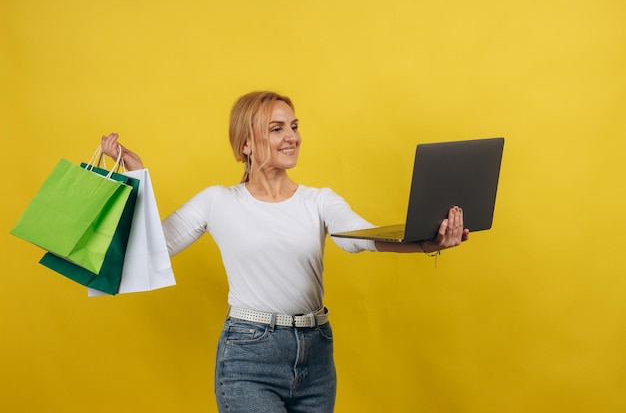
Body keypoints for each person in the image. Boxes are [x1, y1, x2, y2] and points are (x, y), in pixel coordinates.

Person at [101, 90, 469, 413]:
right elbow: (153, 248)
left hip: (317, 354)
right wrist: (135, 178)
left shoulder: (319, 200)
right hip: (249, 355)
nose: (291, 137)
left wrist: (425, 243)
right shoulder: (217, 202)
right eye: (276, 129)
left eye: (293, 126)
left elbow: (356, 237)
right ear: (245, 143)